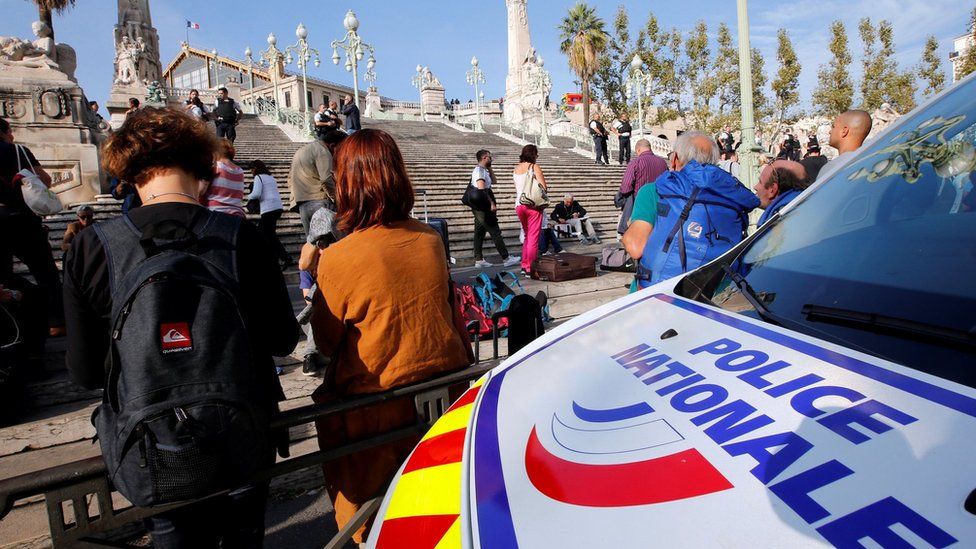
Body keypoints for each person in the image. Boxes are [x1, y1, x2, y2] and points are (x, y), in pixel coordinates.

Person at [62, 107, 297, 547]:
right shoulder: (240, 237)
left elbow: (86, 373)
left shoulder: (92, 247)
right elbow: (283, 339)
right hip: (241, 436)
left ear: (128, 171)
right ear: (204, 167)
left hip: (153, 449)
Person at [308, 129, 471, 544]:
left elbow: (327, 345)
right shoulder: (430, 239)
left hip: (376, 412)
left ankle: (364, 532)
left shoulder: (340, 258)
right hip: (444, 397)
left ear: (346, 183)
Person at [627, 131, 759, 290]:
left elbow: (635, 247)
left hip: (658, 294)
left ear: (675, 158)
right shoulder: (730, 196)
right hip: (712, 295)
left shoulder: (653, 191)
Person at [0, 117, 64, 338]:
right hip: (22, 219)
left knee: (4, 277)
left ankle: (14, 326)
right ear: (5, 131)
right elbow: (44, 180)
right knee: (45, 271)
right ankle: (56, 322)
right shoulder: (18, 151)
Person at [289, 129, 346, 234]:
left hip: (302, 204)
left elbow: (290, 179)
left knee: (313, 245)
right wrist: (339, 200)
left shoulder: (301, 150)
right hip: (320, 202)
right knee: (330, 243)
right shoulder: (323, 151)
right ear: (333, 145)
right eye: (342, 149)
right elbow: (326, 178)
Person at [469, 149, 519, 268]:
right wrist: (491, 203)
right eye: (490, 157)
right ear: (485, 157)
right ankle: (506, 258)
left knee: (479, 232)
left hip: (481, 205)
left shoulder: (484, 170)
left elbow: (494, 181)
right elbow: (482, 189)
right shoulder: (479, 171)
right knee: (495, 230)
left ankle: (479, 259)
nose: (491, 159)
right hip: (483, 205)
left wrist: (490, 168)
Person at [247, 159, 292, 268]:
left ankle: (279, 258)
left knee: (262, 234)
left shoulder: (258, 177)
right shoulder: (270, 177)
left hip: (268, 209)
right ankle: (283, 258)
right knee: (270, 235)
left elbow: (256, 194)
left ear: (256, 168)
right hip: (277, 208)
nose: (251, 172)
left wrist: (248, 197)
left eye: (252, 169)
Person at [617, 139, 668, 235]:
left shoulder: (635, 163)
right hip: (660, 206)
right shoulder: (663, 163)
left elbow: (625, 188)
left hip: (640, 208)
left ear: (638, 150)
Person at [513, 144, 548, 277]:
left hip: (520, 205)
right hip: (533, 206)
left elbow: (517, 188)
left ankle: (524, 265)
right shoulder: (534, 167)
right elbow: (543, 187)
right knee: (533, 238)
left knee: (528, 236)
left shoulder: (516, 169)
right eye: (536, 154)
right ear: (533, 154)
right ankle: (531, 269)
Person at [755, 160, 808, 227]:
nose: (755, 187)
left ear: (772, 190)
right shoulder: (807, 207)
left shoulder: (778, 223)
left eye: (760, 182)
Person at [202, 138, 245, 217]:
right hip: (237, 215)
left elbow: (201, 191)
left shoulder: (216, 166)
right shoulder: (240, 171)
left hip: (215, 213)